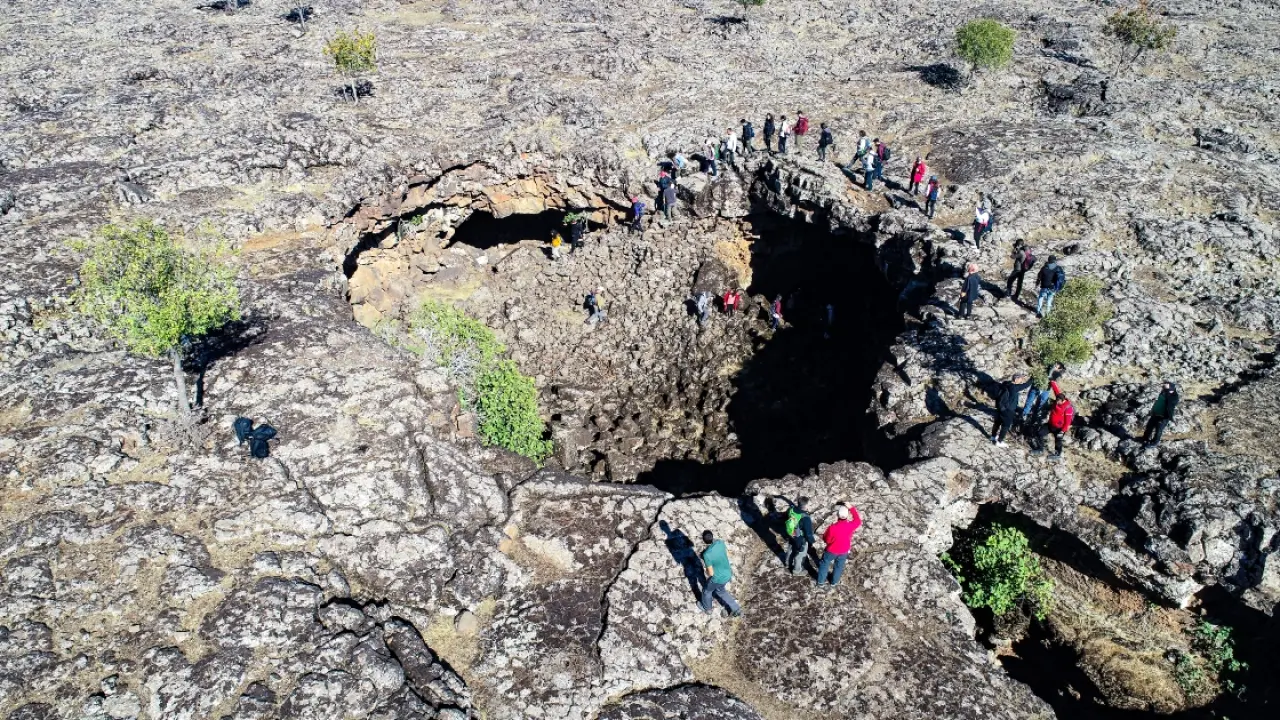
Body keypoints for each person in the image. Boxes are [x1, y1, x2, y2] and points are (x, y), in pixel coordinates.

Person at [816, 504, 862, 587]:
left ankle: (821, 582)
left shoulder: (832, 527)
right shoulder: (850, 525)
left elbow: (827, 540)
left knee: (824, 564)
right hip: (844, 550)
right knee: (839, 566)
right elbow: (858, 520)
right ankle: (834, 582)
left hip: (831, 550)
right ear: (847, 516)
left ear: (837, 515)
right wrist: (851, 508)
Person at [699, 530, 742, 617]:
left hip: (717, 578)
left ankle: (707, 609)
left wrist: (706, 568)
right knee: (721, 591)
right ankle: (736, 609)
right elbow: (724, 553)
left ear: (704, 540)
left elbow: (711, 573)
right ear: (712, 536)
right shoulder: (720, 542)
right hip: (727, 573)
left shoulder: (707, 554)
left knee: (707, 591)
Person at [991, 373, 1032, 446]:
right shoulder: (1014, 387)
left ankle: (993, 436)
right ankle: (999, 441)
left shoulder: (1006, 384)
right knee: (1006, 425)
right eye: (1020, 379)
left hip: (1001, 407)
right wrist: (1033, 377)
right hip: (1008, 410)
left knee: (998, 422)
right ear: (1016, 379)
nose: (1021, 381)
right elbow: (1026, 385)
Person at [1031, 392, 1075, 459]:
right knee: (1039, 433)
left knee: (1058, 441)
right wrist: (1052, 382)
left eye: (1058, 401)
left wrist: (1062, 431)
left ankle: (1057, 454)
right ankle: (1040, 449)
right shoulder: (1057, 400)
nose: (1057, 402)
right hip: (1050, 424)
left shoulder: (1068, 408)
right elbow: (1056, 391)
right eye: (1056, 400)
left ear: (1063, 401)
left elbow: (1067, 422)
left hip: (1059, 428)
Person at [783, 497, 816, 575]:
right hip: (800, 538)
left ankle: (787, 563)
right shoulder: (805, 518)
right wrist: (812, 541)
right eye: (809, 504)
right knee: (800, 553)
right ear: (805, 506)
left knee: (791, 548)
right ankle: (797, 571)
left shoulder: (791, 509)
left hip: (791, 534)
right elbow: (808, 533)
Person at [1143, 381, 1179, 447]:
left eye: (1169, 390)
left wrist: (1168, 390)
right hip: (1155, 414)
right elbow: (1158, 402)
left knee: (1158, 430)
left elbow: (1170, 401)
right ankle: (1145, 439)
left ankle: (1154, 443)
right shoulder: (1163, 393)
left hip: (1164, 417)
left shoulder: (1174, 397)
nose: (1167, 390)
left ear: (1173, 390)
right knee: (1149, 427)